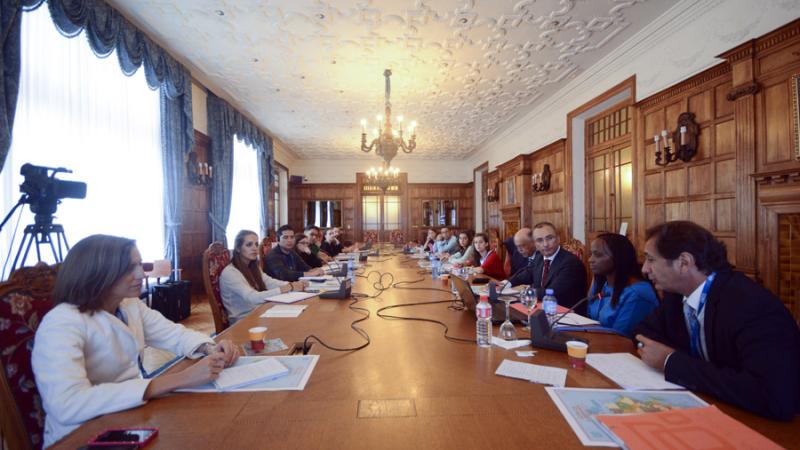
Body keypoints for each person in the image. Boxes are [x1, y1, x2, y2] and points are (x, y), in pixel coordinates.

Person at [32, 235, 240, 448]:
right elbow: (68, 404)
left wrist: (210, 347)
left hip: (129, 417)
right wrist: (180, 379)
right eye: (129, 268)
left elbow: (173, 334)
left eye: (140, 265)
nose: (141, 273)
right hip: (81, 435)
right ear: (98, 272)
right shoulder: (61, 323)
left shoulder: (129, 304)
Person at [635, 221, 800, 421]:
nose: (644, 269)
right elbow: (643, 332)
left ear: (684, 262)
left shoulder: (750, 304)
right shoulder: (676, 295)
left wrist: (672, 362)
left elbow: (773, 397)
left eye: (651, 260)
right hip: (710, 408)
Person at [220, 230, 306, 323]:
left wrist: (292, 284)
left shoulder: (252, 266)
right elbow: (252, 297)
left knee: (299, 316)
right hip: (243, 320)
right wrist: (285, 288)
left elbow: (269, 282)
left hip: (259, 311)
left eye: (256, 244)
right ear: (238, 248)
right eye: (249, 245)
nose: (254, 248)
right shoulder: (230, 272)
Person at [586, 233, 658, 337]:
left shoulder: (637, 293)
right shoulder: (602, 282)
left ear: (618, 257)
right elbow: (589, 318)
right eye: (591, 254)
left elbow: (620, 337)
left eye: (598, 255)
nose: (590, 260)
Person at [508, 221, 587, 314]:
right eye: (540, 240)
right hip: (542, 312)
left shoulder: (571, 263)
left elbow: (552, 292)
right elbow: (525, 274)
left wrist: (523, 291)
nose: (545, 244)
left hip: (567, 317)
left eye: (549, 238)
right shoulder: (539, 258)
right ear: (535, 244)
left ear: (558, 239)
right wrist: (506, 284)